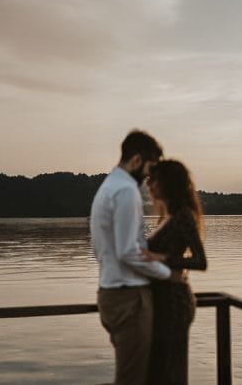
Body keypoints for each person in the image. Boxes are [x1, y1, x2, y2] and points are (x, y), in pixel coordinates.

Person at [91, 130, 184, 385]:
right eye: (149, 167)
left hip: (112, 294)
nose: (148, 175)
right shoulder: (126, 191)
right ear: (135, 160)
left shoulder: (108, 188)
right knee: (132, 379)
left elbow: (102, 249)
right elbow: (127, 252)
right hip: (129, 300)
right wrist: (168, 274)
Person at [141, 159, 208, 385]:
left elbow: (201, 260)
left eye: (154, 180)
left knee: (168, 372)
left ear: (169, 183)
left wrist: (163, 258)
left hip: (174, 303)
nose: (149, 185)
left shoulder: (183, 216)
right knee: (160, 371)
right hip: (160, 300)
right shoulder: (167, 217)